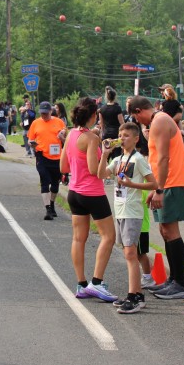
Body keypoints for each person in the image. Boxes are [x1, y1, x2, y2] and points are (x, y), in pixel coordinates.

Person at [127, 95, 184, 300]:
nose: (138, 122)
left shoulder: (159, 121)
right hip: (166, 182)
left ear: (139, 111)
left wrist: (159, 189)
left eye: (136, 118)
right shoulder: (158, 121)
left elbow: (164, 158)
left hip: (172, 182)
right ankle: (173, 279)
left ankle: (180, 283)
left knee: (171, 230)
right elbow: (158, 159)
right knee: (164, 229)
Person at [61, 98, 117, 302]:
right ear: (93, 115)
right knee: (109, 236)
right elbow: (95, 170)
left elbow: (63, 167)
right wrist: (106, 154)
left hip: (74, 192)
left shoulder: (71, 134)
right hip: (92, 192)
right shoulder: (91, 139)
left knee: (78, 238)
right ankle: (97, 282)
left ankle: (82, 284)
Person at [99, 121, 158, 313]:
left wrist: (132, 185)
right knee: (128, 253)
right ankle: (136, 294)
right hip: (120, 210)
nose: (122, 139)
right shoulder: (118, 159)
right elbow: (100, 174)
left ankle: (134, 296)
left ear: (136, 139)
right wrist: (105, 154)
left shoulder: (138, 159)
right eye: (120, 135)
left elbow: (153, 184)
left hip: (132, 211)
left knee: (131, 254)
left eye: (126, 136)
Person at [27, 101, 66, 220]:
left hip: (57, 157)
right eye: (42, 113)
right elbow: (30, 139)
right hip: (42, 155)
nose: (44, 115)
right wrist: (32, 144)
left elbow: (66, 140)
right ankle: (48, 209)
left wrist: (62, 137)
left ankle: (52, 204)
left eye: (46, 113)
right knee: (44, 181)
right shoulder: (35, 123)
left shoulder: (59, 122)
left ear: (51, 111)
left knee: (55, 184)